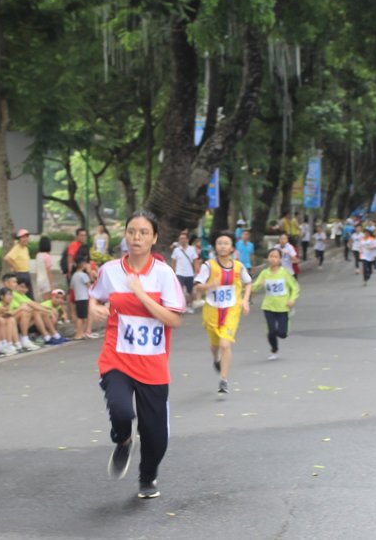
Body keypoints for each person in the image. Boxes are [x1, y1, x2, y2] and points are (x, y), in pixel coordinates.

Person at [89, 210, 185, 499]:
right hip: (117, 357)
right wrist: (94, 307)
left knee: (156, 435)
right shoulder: (111, 270)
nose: (136, 237)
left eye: (143, 232)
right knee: (120, 410)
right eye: (132, 231)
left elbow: (173, 319)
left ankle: (148, 476)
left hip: (153, 364)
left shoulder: (164, 274)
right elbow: (95, 295)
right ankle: (123, 439)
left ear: (154, 238)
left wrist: (141, 294)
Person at [193, 232, 252, 394]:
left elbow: (248, 283)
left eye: (226, 243)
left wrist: (245, 300)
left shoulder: (239, 267)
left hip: (232, 310)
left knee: (225, 344)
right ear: (215, 247)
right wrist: (209, 285)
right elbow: (197, 286)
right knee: (215, 344)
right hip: (211, 311)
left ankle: (223, 380)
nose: (223, 246)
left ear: (232, 247)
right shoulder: (208, 266)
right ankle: (215, 359)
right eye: (219, 243)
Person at [252, 248, 300, 360]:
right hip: (268, 306)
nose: (273, 259)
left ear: (280, 259)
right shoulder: (264, 273)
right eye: (271, 256)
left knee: (282, 334)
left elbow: (295, 287)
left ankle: (284, 328)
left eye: (275, 257)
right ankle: (274, 350)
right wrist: (258, 285)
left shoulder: (285, 273)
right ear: (268, 259)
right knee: (271, 331)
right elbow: (254, 287)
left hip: (283, 307)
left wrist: (292, 299)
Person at [170, 231, 199, 313]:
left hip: (189, 273)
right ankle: (180, 306)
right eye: (180, 239)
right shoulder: (176, 250)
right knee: (179, 289)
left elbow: (195, 261)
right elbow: (174, 262)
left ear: (187, 240)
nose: (182, 240)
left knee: (190, 291)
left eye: (183, 238)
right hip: (179, 273)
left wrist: (197, 271)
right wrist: (173, 272)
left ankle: (189, 305)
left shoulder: (192, 249)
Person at [3, 229, 33, 296]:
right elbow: (7, 258)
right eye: (23, 237)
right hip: (20, 274)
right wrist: (15, 267)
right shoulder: (17, 248)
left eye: (26, 237)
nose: (25, 239)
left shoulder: (25, 248)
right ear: (19, 239)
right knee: (21, 294)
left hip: (26, 273)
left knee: (29, 294)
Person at [71, 258, 93, 340]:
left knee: (81, 316)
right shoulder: (83, 275)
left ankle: (81, 333)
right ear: (83, 265)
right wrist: (90, 271)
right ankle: (78, 334)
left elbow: (72, 287)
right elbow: (89, 285)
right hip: (84, 297)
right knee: (82, 317)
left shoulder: (74, 275)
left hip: (78, 297)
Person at [33, 235, 54, 300]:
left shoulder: (38, 255)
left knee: (42, 300)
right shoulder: (47, 256)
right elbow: (48, 271)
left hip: (39, 280)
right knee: (47, 301)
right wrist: (52, 284)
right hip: (46, 281)